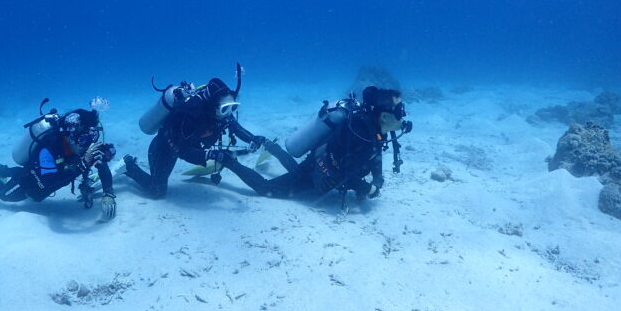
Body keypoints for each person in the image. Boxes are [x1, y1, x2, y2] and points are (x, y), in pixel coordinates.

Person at [218, 86, 412, 207]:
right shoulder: (360, 132)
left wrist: (377, 180)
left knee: (295, 168)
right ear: (384, 116)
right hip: (314, 171)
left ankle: (270, 145)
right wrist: (368, 189)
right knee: (266, 188)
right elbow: (342, 173)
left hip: (318, 163)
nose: (403, 115)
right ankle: (226, 160)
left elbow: (375, 156)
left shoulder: (375, 130)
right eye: (399, 111)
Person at [124, 65, 283, 198]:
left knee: (226, 155)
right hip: (166, 147)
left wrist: (253, 138)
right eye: (225, 109)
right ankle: (129, 166)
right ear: (213, 105)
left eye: (233, 107)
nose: (228, 113)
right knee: (157, 191)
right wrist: (210, 155)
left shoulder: (220, 114)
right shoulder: (189, 115)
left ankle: (263, 187)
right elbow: (182, 151)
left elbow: (235, 127)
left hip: (192, 146)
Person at [0, 99, 118, 221]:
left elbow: (102, 165)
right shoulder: (49, 147)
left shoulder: (84, 147)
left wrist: (108, 194)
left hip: (43, 170)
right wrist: (82, 165)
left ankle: (3, 170)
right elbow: (47, 182)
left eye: (92, 137)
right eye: (83, 139)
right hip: (34, 179)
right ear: (71, 135)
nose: (88, 144)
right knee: (5, 195)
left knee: (27, 172)